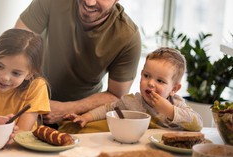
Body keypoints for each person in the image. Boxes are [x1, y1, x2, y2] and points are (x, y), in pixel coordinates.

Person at [14, 0, 142, 131]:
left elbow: (116, 95)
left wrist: (66, 108)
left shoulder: (128, 37)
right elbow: (15, 44)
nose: (89, 1)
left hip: (80, 114)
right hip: (28, 99)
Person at [64, 47, 203, 132]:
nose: (151, 84)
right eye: (146, 76)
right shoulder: (131, 101)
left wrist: (169, 110)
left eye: (160, 81)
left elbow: (198, 124)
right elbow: (107, 109)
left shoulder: (176, 104)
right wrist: (85, 117)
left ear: (174, 89)